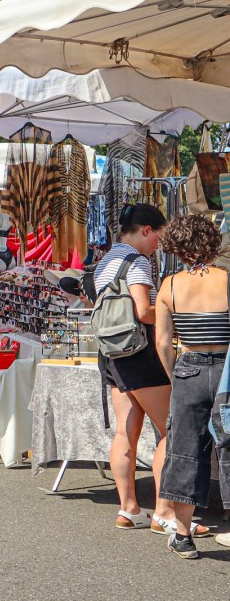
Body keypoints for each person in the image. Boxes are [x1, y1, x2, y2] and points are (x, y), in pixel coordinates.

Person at [91, 204, 185, 537]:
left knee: (124, 433)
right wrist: (173, 321)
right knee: (170, 431)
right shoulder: (137, 261)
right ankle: (165, 512)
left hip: (113, 354)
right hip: (141, 352)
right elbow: (143, 310)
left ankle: (129, 508)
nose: (159, 243)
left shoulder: (105, 260)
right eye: (158, 235)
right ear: (146, 230)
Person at [153, 214, 225, 558]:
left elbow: (163, 343)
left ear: (176, 247)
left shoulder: (169, 286)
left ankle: (183, 535)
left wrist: (175, 375)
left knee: (184, 452)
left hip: (189, 371)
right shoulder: (227, 280)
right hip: (227, 370)